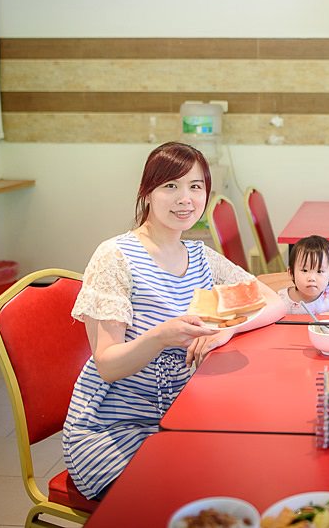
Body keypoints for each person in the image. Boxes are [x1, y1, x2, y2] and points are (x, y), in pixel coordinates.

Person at [62, 142, 285, 499]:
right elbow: (107, 365)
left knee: (258, 475)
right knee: (202, 497)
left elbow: (273, 301)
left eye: (196, 187)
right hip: (115, 432)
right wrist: (161, 336)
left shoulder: (200, 257)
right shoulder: (115, 257)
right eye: (171, 186)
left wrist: (226, 331)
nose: (185, 198)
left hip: (183, 418)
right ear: (147, 192)